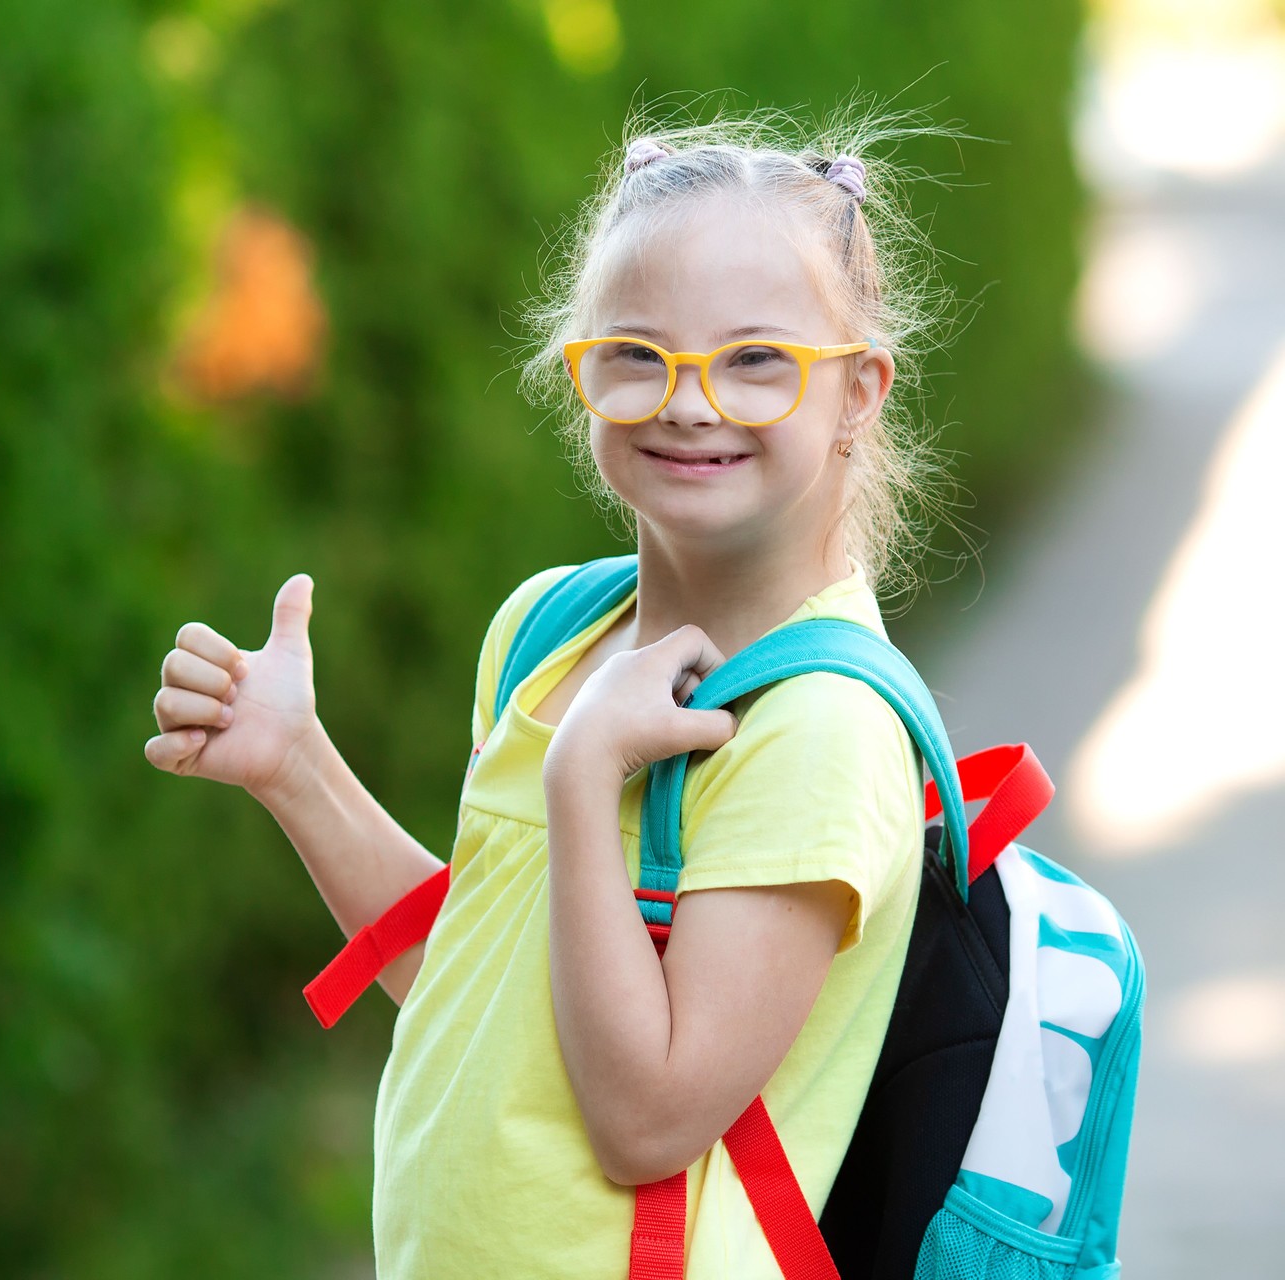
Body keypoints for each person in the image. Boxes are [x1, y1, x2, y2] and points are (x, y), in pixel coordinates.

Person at [144, 100, 971, 1278]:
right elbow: (483, 985)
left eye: (757, 363)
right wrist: (297, 765)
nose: (691, 401)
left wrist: (588, 772)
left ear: (860, 392)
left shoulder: (823, 728)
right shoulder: (549, 628)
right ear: (578, 373)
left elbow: (648, 1117)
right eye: (636, 355)